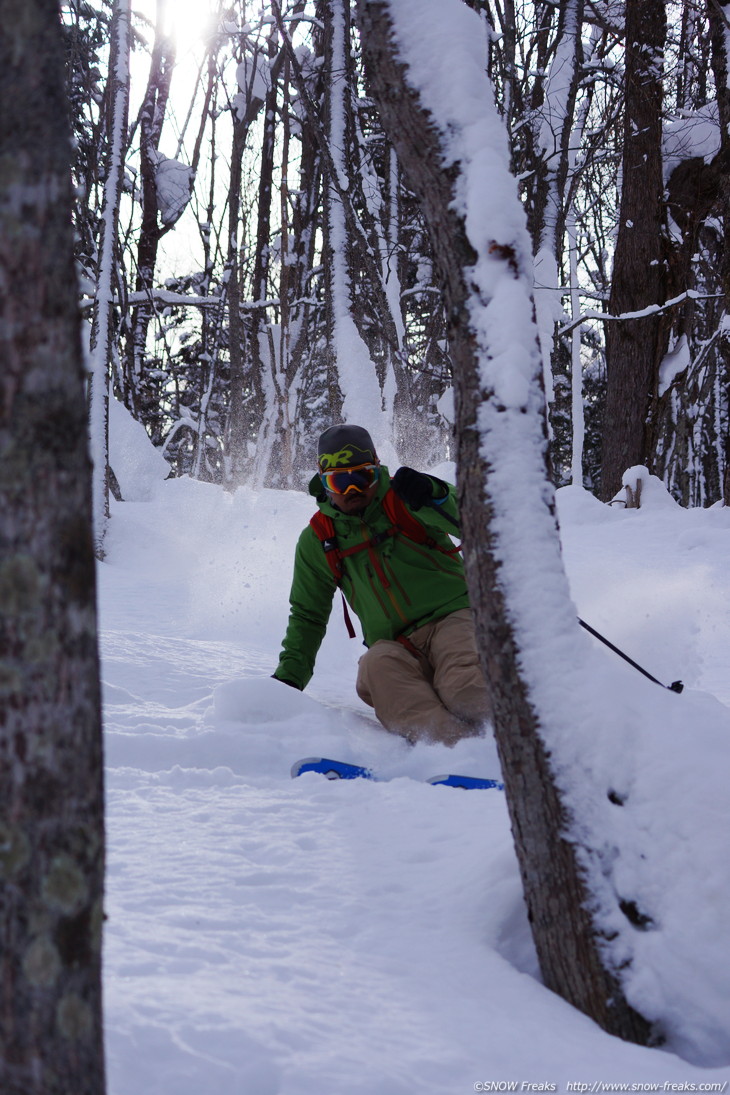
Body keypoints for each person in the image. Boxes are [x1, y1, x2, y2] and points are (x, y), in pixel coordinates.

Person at [273, 424, 491, 746]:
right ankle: (455, 749)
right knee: (376, 667)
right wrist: (286, 685)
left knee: (463, 687)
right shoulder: (319, 539)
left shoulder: (406, 498)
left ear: (376, 467)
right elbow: (308, 616)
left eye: (361, 477)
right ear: (323, 481)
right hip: (396, 645)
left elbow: (480, 522)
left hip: (455, 618)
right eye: (338, 481)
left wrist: (435, 494)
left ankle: (520, 733)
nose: (351, 490)